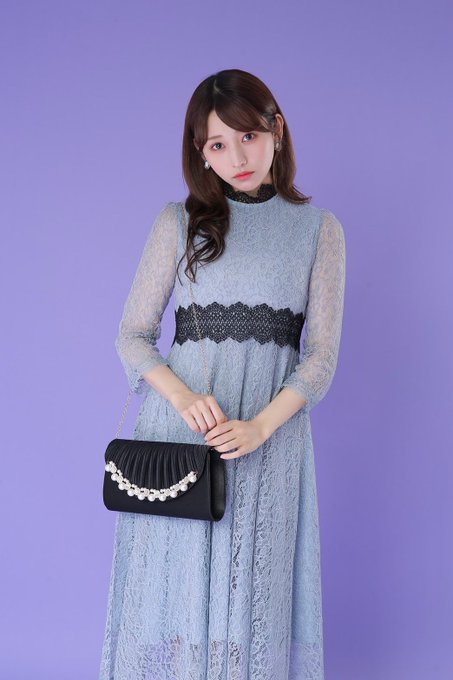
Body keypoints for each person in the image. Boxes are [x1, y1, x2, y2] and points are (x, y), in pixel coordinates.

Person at [98, 68, 346, 680]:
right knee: (179, 600)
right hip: (182, 436)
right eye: (217, 143)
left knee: (253, 603)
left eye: (248, 137)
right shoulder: (177, 222)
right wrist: (183, 398)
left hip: (268, 441)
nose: (237, 157)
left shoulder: (319, 231)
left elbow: (321, 357)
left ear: (276, 131)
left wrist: (260, 427)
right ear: (200, 152)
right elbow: (132, 335)